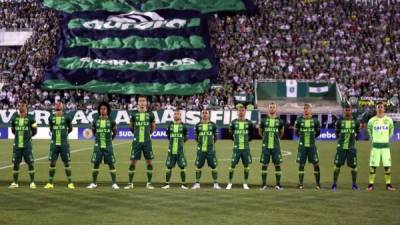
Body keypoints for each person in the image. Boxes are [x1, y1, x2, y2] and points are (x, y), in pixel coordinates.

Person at [125, 96, 156, 190]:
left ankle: (149, 183)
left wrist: (148, 134)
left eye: (143, 101)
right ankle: (130, 183)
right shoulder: (134, 113)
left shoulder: (150, 114)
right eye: (140, 101)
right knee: (132, 162)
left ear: (146, 102)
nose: (142, 102)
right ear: (138, 102)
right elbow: (130, 127)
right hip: (136, 142)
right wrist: (136, 135)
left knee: (149, 162)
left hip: (147, 142)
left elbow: (153, 127)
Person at [87, 102, 119, 190]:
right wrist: (98, 140)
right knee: (96, 164)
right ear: (99, 110)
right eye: (101, 109)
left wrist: (110, 140)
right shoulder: (95, 120)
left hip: (108, 145)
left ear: (107, 110)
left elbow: (115, 132)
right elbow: (93, 132)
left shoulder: (111, 120)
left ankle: (114, 183)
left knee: (111, 164)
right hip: (98, 146)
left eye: (104, 108)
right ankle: (94, 183)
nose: (103, 110)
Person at [44, 101, 75, 189]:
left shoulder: (67, 117)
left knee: (66, 163)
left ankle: (70, 183)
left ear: (62, 106)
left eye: (59, 104)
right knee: (52, 163)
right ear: (54, 106)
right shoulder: (51, 117)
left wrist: (64, 136)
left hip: (64, 143)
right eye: (56, 104)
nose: (58, 105)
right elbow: (51, 128)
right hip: (54, 143)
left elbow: (71, 128)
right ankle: (50, 183)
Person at [9, 100, 37, 189]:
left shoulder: (31, 118)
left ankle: (32, 182)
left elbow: (35, 131)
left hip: (27, 146)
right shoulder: (14, 118)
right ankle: (15, 182)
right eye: (20, 105)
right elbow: (13, 130)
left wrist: (28, 137)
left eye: (23, 105)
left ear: (26, 107)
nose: (21, 107)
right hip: (17, 145)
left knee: (30, 163)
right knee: (16, 164)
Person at [367, 102, 395, 191]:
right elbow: (369, 130)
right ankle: (370, 185)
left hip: (385, 147)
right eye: (378, 107)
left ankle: (388, 185)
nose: (379, 109)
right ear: (376, 109)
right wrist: (373, 138)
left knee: (387, 166)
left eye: (381, 107)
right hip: (375, 147)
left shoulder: (389, 120)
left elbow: (391, 130)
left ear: (384, 109)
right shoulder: (371, 120)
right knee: (373, 166)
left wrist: (387, 139)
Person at [331, 104, 360, 191]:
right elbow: (336, 132)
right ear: (344, 111)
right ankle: (334, 184)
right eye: (346, 110)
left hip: (351, 148)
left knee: (354, 167)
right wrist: (339, 141)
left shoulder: (356, 121)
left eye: (349, 110)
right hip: (341, 148)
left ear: (351, 111)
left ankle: (354, 184)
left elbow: (358, 132)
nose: (347, 111)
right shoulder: (339, 121)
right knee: (336, 167)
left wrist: (354, 140)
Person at [192, 109, 221, 190]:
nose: (204, 114)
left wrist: (210, 145)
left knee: (214, 166)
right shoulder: (198, 125)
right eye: (203, 113)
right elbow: (195, 137)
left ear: (209, 115)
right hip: (201, 150)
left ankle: (215, 184)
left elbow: (216, 138)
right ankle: (197, 183)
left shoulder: (213, 125)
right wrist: (200, 144)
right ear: (201, 115)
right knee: (198, 166)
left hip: (210, 150)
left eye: (206, 113)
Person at [226, 104, 254, 190]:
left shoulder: (249, 123)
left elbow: (251, 135)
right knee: (232, 165)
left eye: (242, 111)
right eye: (239, 111)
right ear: (237, 112)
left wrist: (246, 141)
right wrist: (235, 141)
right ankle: (230, 183)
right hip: (236, 148)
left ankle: (245, 183)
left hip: (246, 149)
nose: (241, 112)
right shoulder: (233, 122)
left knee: (246, 166)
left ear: (245, 112)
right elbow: (230, 134)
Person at [294, 103, 321, 190]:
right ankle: (301, 184)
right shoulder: (299, 120)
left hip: (312, 146)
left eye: (308, 108)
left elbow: (318, 132)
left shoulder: (315, 121)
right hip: (302, 146)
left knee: (316, 164)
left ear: (311, 110)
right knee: (301, 164)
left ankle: (318, 184)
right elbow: (296, 132)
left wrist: (312, 139)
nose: (306, 110)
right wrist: (301, 138)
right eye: (305, 108)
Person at [258, 103, 284, 190]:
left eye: (273, 107)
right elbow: (260, 131)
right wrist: (264, 138)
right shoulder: (263, 120)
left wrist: (277, 139)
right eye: (270, 107)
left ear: (276, 109)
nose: (272, 109)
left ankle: (278, 184)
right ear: (268, 109)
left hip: (276, 146)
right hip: (266, 146)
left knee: (277, 164)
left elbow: (282, 132)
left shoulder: (279, 120)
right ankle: (264, 184)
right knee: (264, 164)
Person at [161, 109, 189, 189]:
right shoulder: (170, 125)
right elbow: (168, 136)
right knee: (169, 166)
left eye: (178, 114)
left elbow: (186, 137)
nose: (176, 115)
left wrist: (181, 143)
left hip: (180, 150)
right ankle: (166, 184)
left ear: (180, 116)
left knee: (182, 166)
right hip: (171, 150)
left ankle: (184, 184)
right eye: (175, 114)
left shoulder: (183, 126)